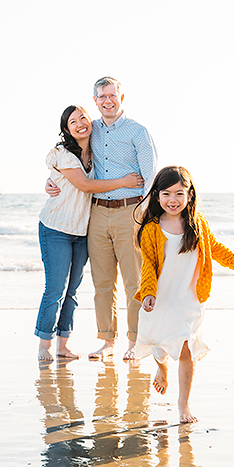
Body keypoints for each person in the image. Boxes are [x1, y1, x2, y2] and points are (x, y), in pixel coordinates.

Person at [47, 77, 157, 360]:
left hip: (129, 211)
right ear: (95, 101)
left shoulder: (138, 131)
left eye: (112, 95)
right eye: (102, 97)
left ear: (122, 97)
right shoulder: (90, 128)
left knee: (134, 281)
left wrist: (143, 212)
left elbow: (151, 175)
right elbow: (67, 156)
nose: (107, 101)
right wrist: (50, 182)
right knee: (102, 283)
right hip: (96, 212)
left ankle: (135, 341)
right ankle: (107, 341)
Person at [133, 166, 234, 423]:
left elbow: (215, 249)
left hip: (188, 300)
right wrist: (149, 293)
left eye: (179, 193)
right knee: (161, 346)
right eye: (166, 194)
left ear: (189, 195)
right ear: (156, 195)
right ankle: (161, 369)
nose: (172, 200)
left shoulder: (197, 224)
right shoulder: (152, 228)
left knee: (185, 348)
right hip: (161, 298)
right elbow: (148, 265)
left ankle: (183, 406)